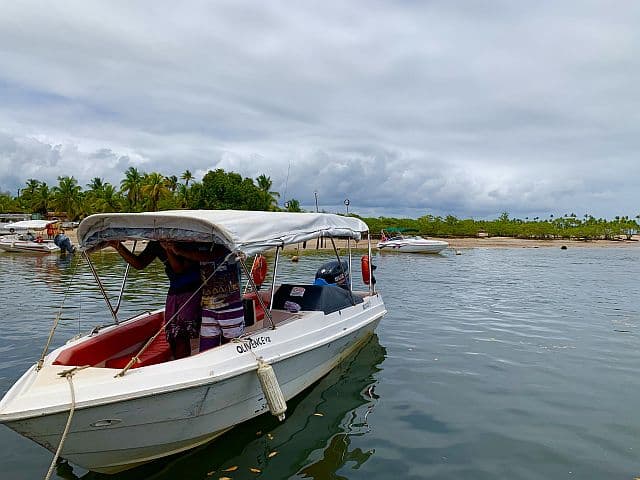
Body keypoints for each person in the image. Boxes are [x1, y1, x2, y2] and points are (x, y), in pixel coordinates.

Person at [109, 240, 201, 359]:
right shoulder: (156, 244)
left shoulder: (185, 239)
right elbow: (139, 264)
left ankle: (185, 361)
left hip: (194, 289)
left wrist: (168, 249)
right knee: (172, 333)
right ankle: (178, 360)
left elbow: (180, 269)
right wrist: (118, 246)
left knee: (182, 333)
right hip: (175, 290)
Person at [169, 243, 244, 352]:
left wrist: (178, 251)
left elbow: (211, 255)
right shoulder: (201, 245)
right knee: (206, 349)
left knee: (232, 347)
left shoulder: (227, 244)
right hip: (208, 305)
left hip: (230, 305)